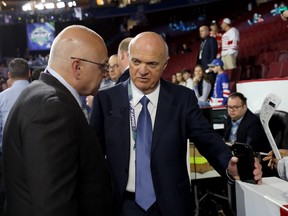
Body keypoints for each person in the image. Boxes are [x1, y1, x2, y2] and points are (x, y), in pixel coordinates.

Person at [90, 31, 262, 216]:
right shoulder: (105, 100)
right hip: (122, 207)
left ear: (165, 64)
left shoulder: (182, 99)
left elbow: (206, 138)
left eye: (151, 64)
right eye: (136, 61)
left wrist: (229, 162)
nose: (142, 70)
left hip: (172, 206)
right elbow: (92, 158)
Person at [2, 25, 113, 216]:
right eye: (103, 66)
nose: (106, 73)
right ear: (77, 67)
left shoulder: (37, 92)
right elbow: (54, 207)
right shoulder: (53, 107)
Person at [0, 58, 30, 152]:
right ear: (29, 73)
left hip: (8, 153)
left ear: (9, 75)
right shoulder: (42, 94)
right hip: (37, 152)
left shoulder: (2, 97)